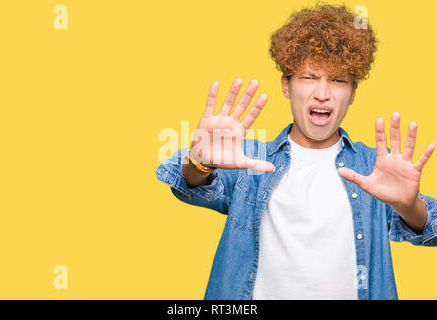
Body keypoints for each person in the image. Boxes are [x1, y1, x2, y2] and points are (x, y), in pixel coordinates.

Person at [155, 3, 436, 300]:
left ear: (353, 93)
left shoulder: (374, 167)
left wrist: (410, 206)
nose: (323, 93)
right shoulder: (249, 160)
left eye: (338, 80)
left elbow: (431, 226)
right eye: (309, 77)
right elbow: (186, 186)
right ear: (286, 86)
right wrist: (200, 161)